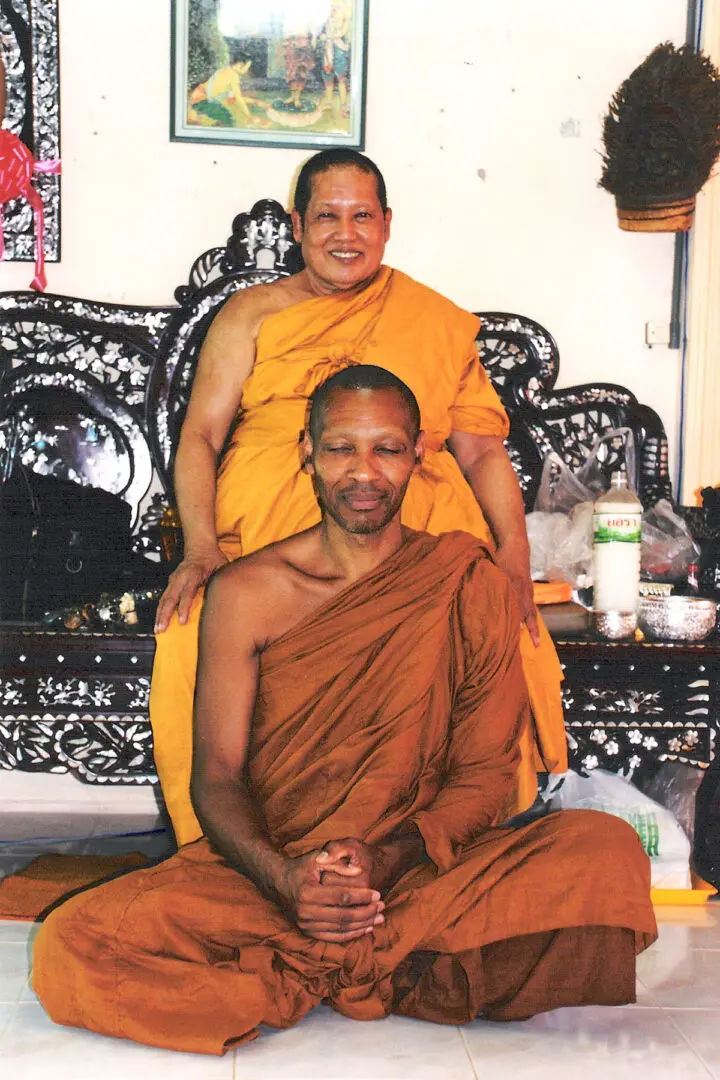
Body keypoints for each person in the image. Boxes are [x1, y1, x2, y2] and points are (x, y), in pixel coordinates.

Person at [33, 369, 657, 1056]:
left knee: (604, 851)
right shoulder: (248, 592)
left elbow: (482, 777)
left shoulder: (465, 581)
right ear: (307, 452)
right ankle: (379, 965)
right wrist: (288, 879)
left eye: (386, 449)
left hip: (415, 871)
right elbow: (215, 774)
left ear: (419, 454)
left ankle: (300, 970)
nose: (364, 473)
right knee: (71, 947)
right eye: (341, 449)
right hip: (270, 876)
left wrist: (383, 863)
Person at [150, 147, 568, 847]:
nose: (346, 234)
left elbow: (482, 449)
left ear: (387, 224)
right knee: (193, 630)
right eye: (327, 217)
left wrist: (514, 557)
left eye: (362, 217)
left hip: (411, 529)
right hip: (270, 541)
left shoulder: (431, 320)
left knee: (495, 626)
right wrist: (200, 549)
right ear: (297, 226)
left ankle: (433, 834)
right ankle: (237, 842)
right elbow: (199, 437)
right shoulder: (251, 315)